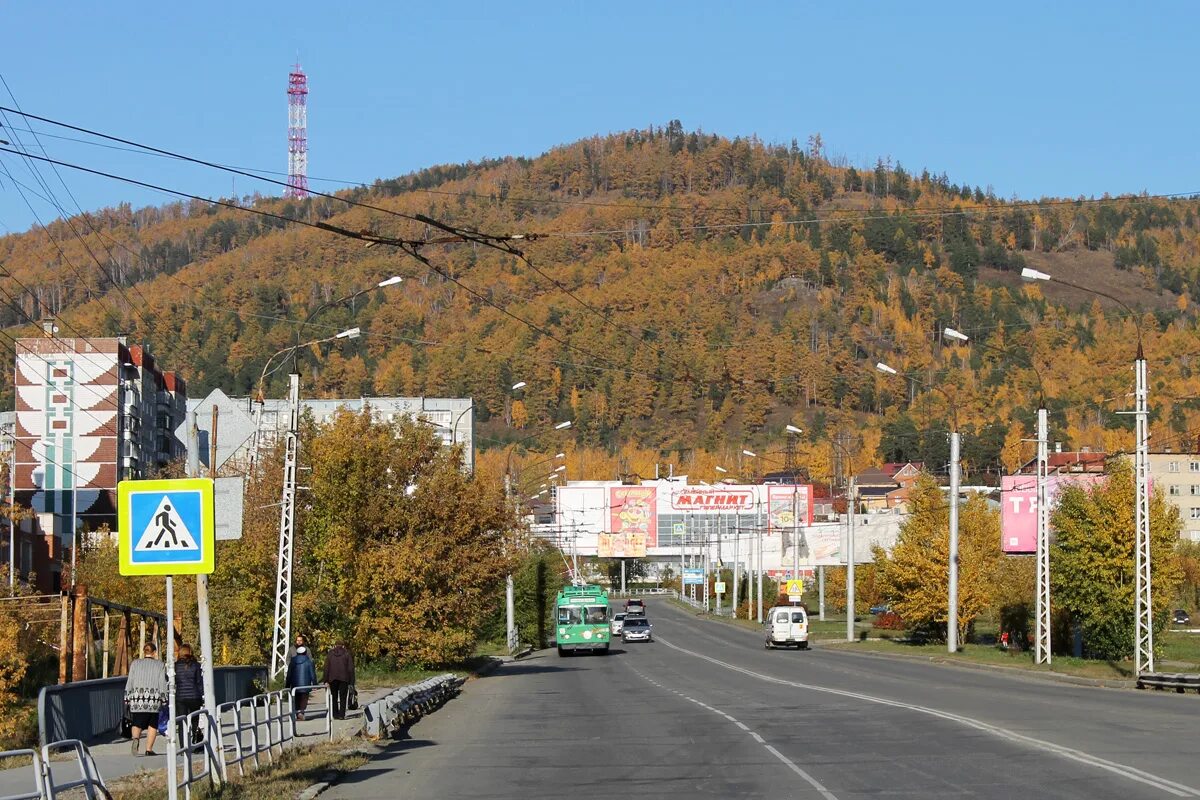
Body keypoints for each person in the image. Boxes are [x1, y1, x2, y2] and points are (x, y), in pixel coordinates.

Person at [124, 643, 166, 756]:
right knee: (153, 725)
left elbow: (130, 682)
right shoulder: (160, 665)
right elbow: (162, 683)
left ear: (144, 652)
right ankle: (148, 749)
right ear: (154, 652)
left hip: (137, 699)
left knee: (137, 722)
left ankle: (136, 739)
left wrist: (127, 697)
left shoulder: (135, 663)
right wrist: (164, 698)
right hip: (153, 700)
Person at [175, 644, 204, 743]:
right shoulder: (196, 665)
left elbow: (172, 681)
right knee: (195, 719)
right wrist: (202, 695)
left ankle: (183, 746)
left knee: (182, 722)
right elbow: (199, 682)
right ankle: (195, 741)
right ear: (190, 652)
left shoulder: (175, 666)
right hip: (194, 697)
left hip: (180, 698)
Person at [323, 641, 355, 720]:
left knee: (334, 697)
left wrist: (325, 680)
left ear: (335, 645)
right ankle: (342, 715)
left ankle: (335, 714)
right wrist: (352, 681)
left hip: (332, 678)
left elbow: (326, 667)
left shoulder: (330, 654)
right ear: (343, 646)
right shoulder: (347, 654)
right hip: (344, 678)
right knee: (343, 697)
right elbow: (350, 668)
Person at [286, 645, 317, 720]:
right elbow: (312, 674)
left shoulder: (292, 661)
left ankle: (297, 713)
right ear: (305, 652)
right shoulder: (309, 662)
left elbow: (289, 674)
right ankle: (301, 713)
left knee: (296, 699)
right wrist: (315, 684)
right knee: (304, 699)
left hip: (295, 684)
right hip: (305, 684)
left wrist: (287, 684)